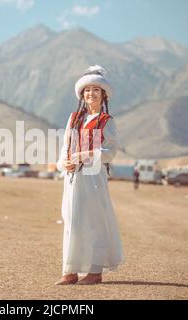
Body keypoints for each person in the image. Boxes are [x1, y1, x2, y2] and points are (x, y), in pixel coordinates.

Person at [55, 65, 125, 285]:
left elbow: (110, 152)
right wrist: (63, 163)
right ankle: (70, 271)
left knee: (92, 221)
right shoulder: (74, 118)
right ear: (82, 94)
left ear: (103, 94)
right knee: (72, 221)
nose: (91, 94)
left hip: (94, 178)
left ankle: (95, 272)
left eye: (96, 90)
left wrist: (86, 154)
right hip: (72, 179)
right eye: (87, 90)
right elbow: (65, 145)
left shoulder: (106, 121)